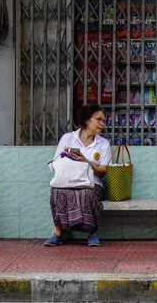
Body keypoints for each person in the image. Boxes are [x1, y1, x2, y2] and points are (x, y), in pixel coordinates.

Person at [44, 105, 112, 247]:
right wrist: (67, 156)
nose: (102, 124)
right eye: (99, 119)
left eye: (104, 121)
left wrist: (86, 162)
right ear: (87, 120)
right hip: (68, 181)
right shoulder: (68, 138)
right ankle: (59, 234)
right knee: (57, 191)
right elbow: (56, 162)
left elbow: (103, 170)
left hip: (92, 183)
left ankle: (91, 233)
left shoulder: (103, 144)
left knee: (86, 193)